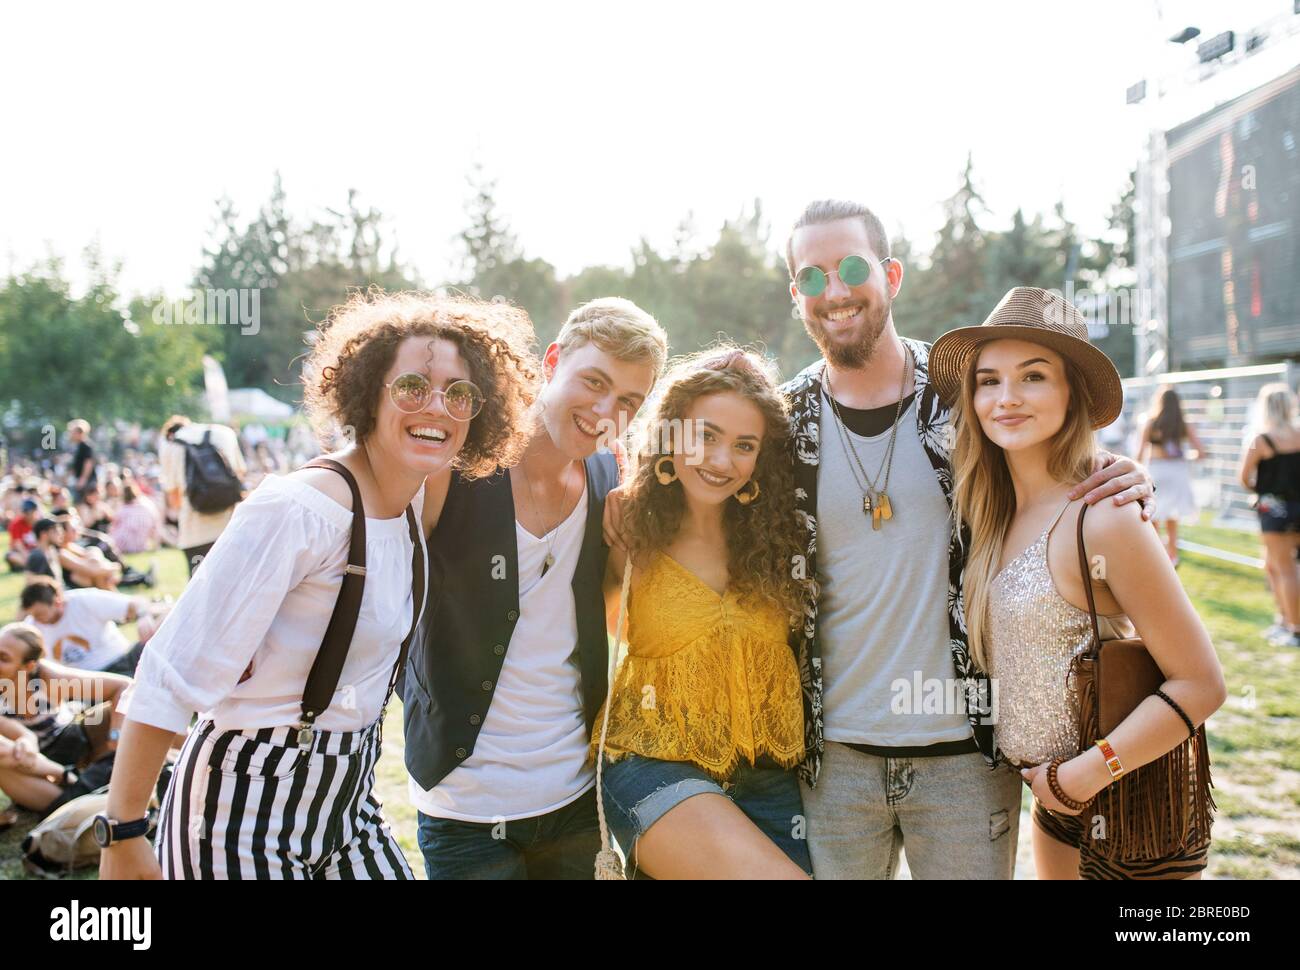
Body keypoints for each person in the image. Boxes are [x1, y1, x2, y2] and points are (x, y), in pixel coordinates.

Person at [607, 199, 1153, 880]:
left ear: (891, 274)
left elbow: (1047, 457)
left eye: (852, 268)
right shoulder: (782, 426)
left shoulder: (968, 402)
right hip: (832, 765)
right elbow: (707, 495)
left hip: (966, 757)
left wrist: (1112, 470)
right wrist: (626, 501)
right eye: (811, 277)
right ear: (796, 295)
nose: (833, 292)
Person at [100, 290, 537, 880]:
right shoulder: (298, 509)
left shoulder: (411, 505)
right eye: (413, 386)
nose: (437, 407)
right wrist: (123, 834)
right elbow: (169, 672)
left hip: (347, 805)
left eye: (460, 394)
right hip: (239, 813)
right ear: (366, 392)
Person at [932, 286, 1226, 879]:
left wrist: (1080, 777)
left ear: (1074, 393)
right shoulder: (989, 514)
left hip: (1133, 806)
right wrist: (1060, 792)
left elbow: (1202, 683)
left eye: (1033, 377)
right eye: (988, 381)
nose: (1006, 398)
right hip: (1056, 806)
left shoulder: (1105, 514)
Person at [406, 297, 665, 880]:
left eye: (629, 401)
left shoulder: (609, 476)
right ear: (552, 361)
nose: (605, 412)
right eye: (593, 382)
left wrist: (627, 552)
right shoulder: (457, 463)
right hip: (464, 803)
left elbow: (606, 612)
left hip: (574, 797)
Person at [593, 347, 811, 879]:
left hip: (771, 779)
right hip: (653, 764)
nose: (720, 461)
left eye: (744, 445)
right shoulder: (628, 527)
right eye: (705, 435)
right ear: (672, 433)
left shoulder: (779, 542)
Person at [0, 623, 131, 817]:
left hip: (77, 743)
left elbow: (124, 687)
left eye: (3, 658)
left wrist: (115, 734)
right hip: (36, 768)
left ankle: (179, 758)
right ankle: (82, 796)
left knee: (133, 710)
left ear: (29, 666)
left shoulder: (48, 678)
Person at [1240, 383, 1300, 648]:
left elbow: (1243, 477)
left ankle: (1294, 628)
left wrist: (1262, 492)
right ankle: (1284, 619)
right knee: (1275, 566)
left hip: (1275, 512)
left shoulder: (1261, 440)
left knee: (1284, 570)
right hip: (1297, 507)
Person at [158, 415, 248, 576]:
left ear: (169, 433)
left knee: (201, 589)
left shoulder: (171, 444)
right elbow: (240, 474)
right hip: (231, 527)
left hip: (195, 533)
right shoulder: (224, 433)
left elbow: (174, 498)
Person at [19, 577, 158, 676]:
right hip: (84, 682)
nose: (37, 620)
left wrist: (143, 615)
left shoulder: (83, 600)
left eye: (41, 614)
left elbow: (135, 603)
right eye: (32, 615)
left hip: (120, 659)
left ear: (58, 602)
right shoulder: (31, 626)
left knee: (153, 646)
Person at [1139, 386, 1204, 566]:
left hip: (1156, 470)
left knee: (1154, 513)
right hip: (1177, 470)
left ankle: (1156, 555)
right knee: (1172, 515)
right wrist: (1185, 457)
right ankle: (1173, 555)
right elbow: (1200, 451)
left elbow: (1140, 452)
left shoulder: (1151, 422)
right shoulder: (1183, 423)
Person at [109, 482, 161, 554]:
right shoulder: (146, 506)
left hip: (125, 545)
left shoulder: (123, 509)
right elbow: (155, 524)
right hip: (142, 544)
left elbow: (113, 526)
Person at [6, 498, 40, 572]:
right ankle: (33, 567)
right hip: (21, 552)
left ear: (35, 511)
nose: (26, 515)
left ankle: (32, 566)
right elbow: (18, 545)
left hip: (36, 552)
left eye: (29, 512)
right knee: (11, 556)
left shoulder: (40, 523)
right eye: (25, 512)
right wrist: (28, 557)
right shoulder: (16, 523)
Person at [67, 420, 97, 503]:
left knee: (82, 503)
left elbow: (88, 462)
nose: (71, 434)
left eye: (72, 432)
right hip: (81, 480)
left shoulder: (86, 446)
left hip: (87, 482)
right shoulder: (78, 446)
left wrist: (83, 479)